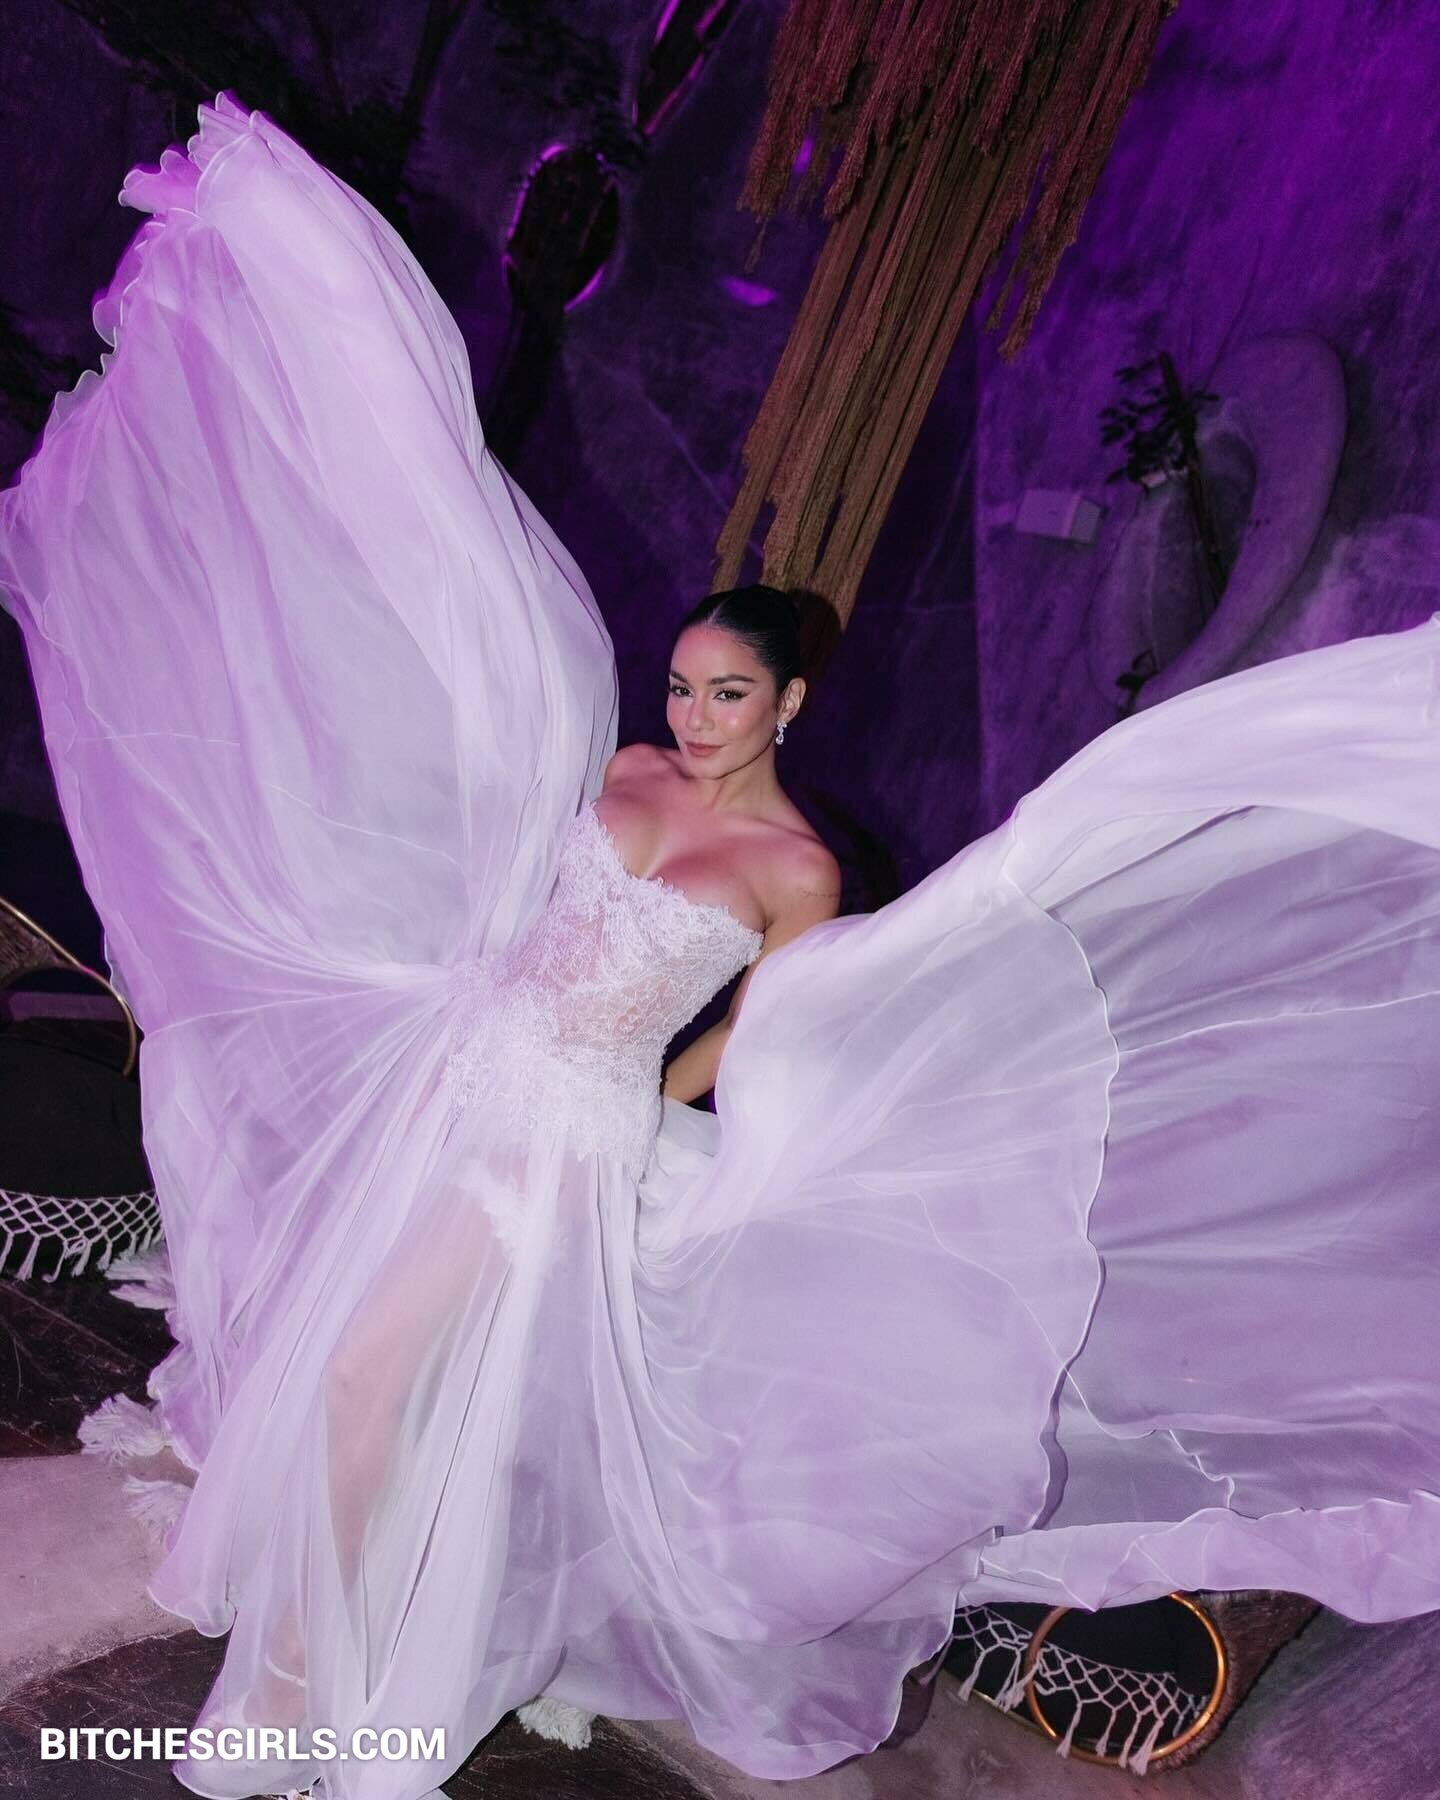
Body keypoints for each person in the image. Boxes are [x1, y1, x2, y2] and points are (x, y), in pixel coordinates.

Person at [3, 95, 1439, 1800]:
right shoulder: (620, 770)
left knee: (373, 1375)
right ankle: (330, 1609)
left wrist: (632, 1096)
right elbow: (511, 867)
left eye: (727, 695)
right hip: (451, 1081)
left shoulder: (796, 869)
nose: (692, 715)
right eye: (683, 685)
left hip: (551, 1148)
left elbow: (767, 1038)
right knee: (354, 1361)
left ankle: (316, 1680)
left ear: (789, 704)